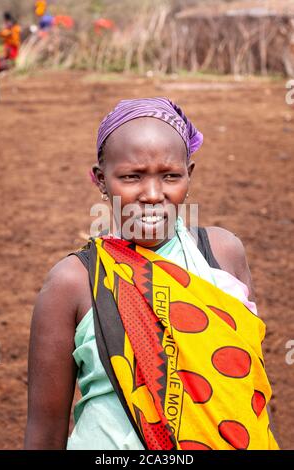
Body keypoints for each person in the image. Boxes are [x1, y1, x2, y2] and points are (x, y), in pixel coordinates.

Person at [24, 98, 279, 450]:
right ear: (100, 180)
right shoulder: (72, 283)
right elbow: (45, 431)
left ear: (191, 174)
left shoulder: (222, 255)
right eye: (132, 177)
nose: (153, 195)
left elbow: (243, 391)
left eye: (171, 176)